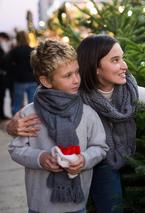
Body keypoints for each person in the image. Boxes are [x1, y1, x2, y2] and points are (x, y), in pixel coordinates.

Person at [7, 34, 145, 213]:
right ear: (96, 68)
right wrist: (11, 126)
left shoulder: (129, 91)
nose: (124, 66)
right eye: (115, 60)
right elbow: (46, 100)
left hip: (120, 155)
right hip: (95, 164)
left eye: (122, 58)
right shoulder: (75, 94)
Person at [8, 39, 109, 213]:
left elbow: (100, 147)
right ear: (46, 81)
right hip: (40, 205)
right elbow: (16, 149)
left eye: (77, 72)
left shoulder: (87, 112)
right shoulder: (29, 114)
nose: (76, 79)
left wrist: (83, 159)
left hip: (77, 205)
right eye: (67, 75)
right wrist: (41, 158)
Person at [6, 30, 38, 115]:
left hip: (19, 80)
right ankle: (32, 125)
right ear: (27, 38)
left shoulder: (14, 51)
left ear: (17, 39)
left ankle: (17, 125)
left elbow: (6, 65)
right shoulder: (32, 50)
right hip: (32, 80)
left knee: (17, 105)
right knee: (33, 105)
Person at [0, 32, 11, 120]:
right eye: (5, 40)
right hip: (1, 77)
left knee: (2, 96)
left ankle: (2, 114)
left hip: (2, 78)